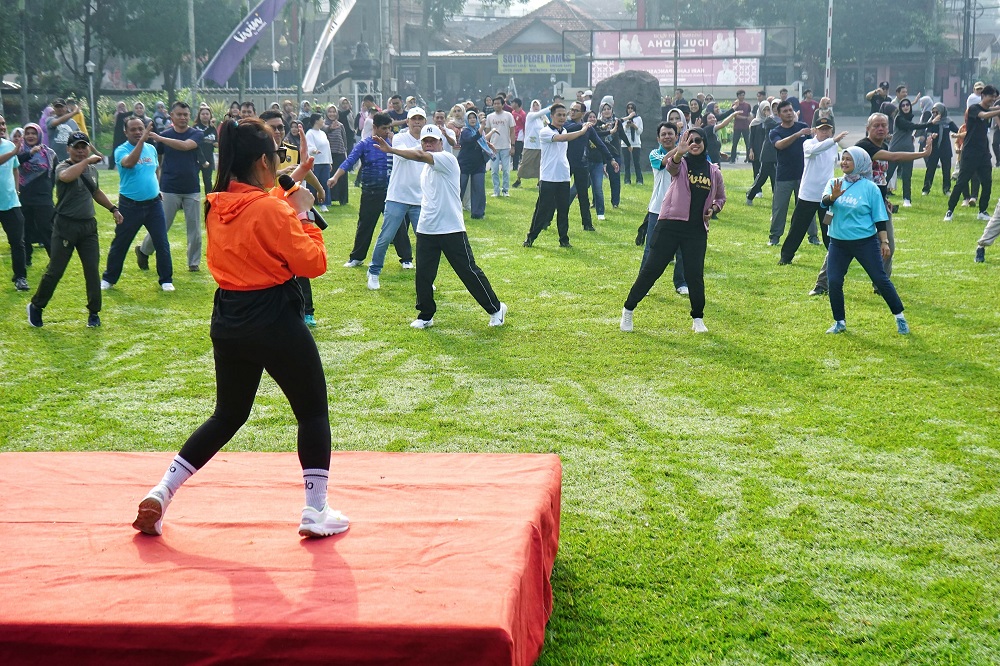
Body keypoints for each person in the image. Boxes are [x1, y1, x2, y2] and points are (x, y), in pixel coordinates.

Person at [132, 117, 349, 539]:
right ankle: (315, 509)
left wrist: (288, 188)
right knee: (312, 410)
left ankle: (162, 491)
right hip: (274, 316)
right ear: (264, 162)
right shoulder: (269, 208)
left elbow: (258, 205)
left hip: (229, 316)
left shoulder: (217, 203)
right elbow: (312, 264)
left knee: (228, 413)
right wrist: (303, 214)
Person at [374, 125, 507, 330]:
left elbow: (418, 155)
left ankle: (496, 308)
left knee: (468, 272)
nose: (428, 144)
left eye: (432, 141)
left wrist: (391, 150)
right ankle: (426, 314)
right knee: (424, 275)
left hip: (451, 227)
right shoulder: (426, 168)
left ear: (440, 143)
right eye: (425, 141)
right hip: (427, 228)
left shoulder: (447, 159)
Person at [620, 127, 725, 334]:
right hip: (670, 225)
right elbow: (671, 167)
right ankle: (628, 309)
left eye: (698, 140)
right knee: (652, 270)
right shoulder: (681, 163)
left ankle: (698, 318)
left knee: (694, 275)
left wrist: (713, 209)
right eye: (690, 140)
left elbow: (720, 198)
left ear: (705, 143)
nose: (694, 143)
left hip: (696, 230)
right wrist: (679, 151)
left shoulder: (714, 171)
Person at [27, 131, 122, 328]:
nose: (80, 151)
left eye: (83, 147)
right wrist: (86, 162)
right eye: (76, 147)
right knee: (55, 270)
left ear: (88, 148)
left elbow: (95, 191)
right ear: (68, 149)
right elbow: (66, 176)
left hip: (88, 227)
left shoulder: (91, 170)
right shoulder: (63, 166)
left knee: (92, 271)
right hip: (65, 226)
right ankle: (36, 306)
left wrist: (113, 209)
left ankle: (94, 313)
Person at [820, 147, 909, 335]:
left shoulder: (870, 188)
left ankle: (900, 317)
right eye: (842, 159)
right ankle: (839, 322)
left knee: (880, 279)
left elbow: (880, 217)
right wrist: (833, 197)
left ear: (860, 163)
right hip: (838, 242)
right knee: (834, 281)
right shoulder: (834, 183)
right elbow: (824, 202)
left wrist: (884, 242)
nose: (844, 162)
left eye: (848, 159)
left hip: (864, 242)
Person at [102, 117, 174, 292]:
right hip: (130, 205)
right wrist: (141, 141)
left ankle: (166, 279)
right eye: (133, 129)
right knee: (121, 243)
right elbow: (129, 163)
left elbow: (156, 169)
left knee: (161, 242)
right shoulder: (121, 150)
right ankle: (109, 278)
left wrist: (157, 188)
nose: (137, 132)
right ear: (126, 132)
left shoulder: (150, 149)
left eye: (140, 129)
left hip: (154, 205)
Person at [331, 113, 410, 269]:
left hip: (391, 193)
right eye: (384, 128)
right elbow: (349, 161)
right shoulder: (364, 144)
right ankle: (357, 258)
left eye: (389, 128)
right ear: (374, 128)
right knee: (365, 225)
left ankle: (406, 259)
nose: (387, 131)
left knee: (398, 225)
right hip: (370, 192)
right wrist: (335, 177)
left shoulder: (394, 144)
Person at [136, 101, 204, 273]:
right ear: (171, 116)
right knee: (161, 226)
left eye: (186, 115)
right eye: (179, 114)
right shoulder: (164, 135)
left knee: (194, 228)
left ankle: (193, 263)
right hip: (169, 187)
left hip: (192, 187)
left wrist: (160, 138)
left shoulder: (196, 134)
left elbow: (186, 146)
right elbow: (157, 161)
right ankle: (144, 250)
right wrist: (156, 183)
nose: (183, 118)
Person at [365, 107, 427, 290]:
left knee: (424, 240)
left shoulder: (427, 141)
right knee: (386, 236)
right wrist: (424, 148)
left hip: (419, 199)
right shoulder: (399, 138)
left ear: (424, 122)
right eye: (413, 119)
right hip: (397, 197)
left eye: (420, 119)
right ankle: (374, 272)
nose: (417, 122)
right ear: (407, 122)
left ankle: (425, 279)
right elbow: (407, 154)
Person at [522, 104, 594, 248]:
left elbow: (566, 135)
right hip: (548, 177)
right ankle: (531, 237)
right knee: (542, 209)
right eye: (559, 115)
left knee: (563, 210)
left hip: (563, 176)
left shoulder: (565, 129)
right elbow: (562, 138)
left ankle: (564, 240)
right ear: (552, 116)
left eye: (563, 115)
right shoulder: (545, 132)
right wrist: (583, 130)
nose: (562, 118)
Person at [779, 121, 848, 264]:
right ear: (815, 130)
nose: (825, 132)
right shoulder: (808, 144)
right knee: (798, 227)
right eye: (822, 129)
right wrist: (833, 140)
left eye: (828, 129)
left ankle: (835, 257)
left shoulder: (833, 145)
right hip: (808, 195)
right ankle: (786, 257)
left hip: (827, 197)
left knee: (829, 227)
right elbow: (816, 150)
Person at [637, 121, 688, 296]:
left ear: (676, 136)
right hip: (657, 210)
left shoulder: (687, 156)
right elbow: (667, 162)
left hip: (681, 210)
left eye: (670, 134)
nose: (667, 137)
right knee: (651, 248)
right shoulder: (654, 154)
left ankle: (681, 282)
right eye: (663, 134)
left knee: (682, 249)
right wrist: (680, 150)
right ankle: (644, 283)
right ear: (658, 138)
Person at [945, 85, 1000, 222]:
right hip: (970, 152)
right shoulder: (974, 109)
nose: (993, 99)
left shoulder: (988, 109)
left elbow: (991, 110)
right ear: (983, 96)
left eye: (995, 97)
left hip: (983, 153)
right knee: (962, 182)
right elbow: (985, 114)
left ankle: (982, 211)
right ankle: (950, 210)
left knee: (987, 182)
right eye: (991, 96)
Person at [767, 100, 815, 246]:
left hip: (804, 175)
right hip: (784, 176)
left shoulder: (803, 127)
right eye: (785, 111)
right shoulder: (775, 132)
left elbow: (813, 146)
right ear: (779, 114)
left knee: (807, 207)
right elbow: (779, 145)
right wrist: (797, 135)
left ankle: (813, 236)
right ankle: (774, 236)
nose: (789, 113)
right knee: (780, 208)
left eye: (790, 110)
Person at [566, 101, 617, 231]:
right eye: (571, 109)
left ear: (582, 113)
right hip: (565, 164)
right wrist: (583, 127)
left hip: (582, 164)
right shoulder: (566, 124)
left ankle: (587, 224)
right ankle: (547, 220)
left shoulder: (588, 128)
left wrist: (611, 159)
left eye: (575, 110)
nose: (572, 112)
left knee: (583, 195)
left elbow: (600, 144)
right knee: (559, 192)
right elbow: (568, 129)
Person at [16, 124, 57, 266]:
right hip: (24, 197)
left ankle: (55, 260)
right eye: (27, 133)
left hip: (43, 197)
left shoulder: (49, 153)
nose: (30, 136)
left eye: (34, 133)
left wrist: (49, 190)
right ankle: (26, 259)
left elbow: (54, 174)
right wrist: (30, 153)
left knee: (46, 228)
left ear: (39, 135)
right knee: (25, 230)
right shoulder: (19, 152)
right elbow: (17, 162)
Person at [885, 98, 932, 207]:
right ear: (900, 108)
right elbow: (911, 126)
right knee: (888, 174)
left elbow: (911, 129)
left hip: (908, 150)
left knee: (907, 175)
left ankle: (907, 199)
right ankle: (879, 195)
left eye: (907, 105)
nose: (906, 107)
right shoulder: (899, 118)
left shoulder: (909, 118)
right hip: (895, 150)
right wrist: (930, 123)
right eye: (903, 105)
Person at [0, 115, 29, 291]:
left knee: (18, 242)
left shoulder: (10, 146)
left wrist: (16, 191)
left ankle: (20, 278)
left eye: (3, 123)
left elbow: (15, 168)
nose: (2, 127)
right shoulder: (12, 149)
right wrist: (12, 153)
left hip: (10, 203)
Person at [595, 100, 630, 210]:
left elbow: (622, 135)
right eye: (604, 109)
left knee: (615, 179)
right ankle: (595, 202)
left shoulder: (617, 122)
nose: (606, 111)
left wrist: (629, 145)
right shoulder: (598, 123)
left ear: (612, 110)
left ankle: (615, 202)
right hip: (601, 154)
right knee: (597, 180)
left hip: (615, 154)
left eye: (608, 109)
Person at [458, 109, 491, 219]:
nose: (472, 119)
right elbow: (472, 139)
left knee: (479, 189)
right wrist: (482, 127)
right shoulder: (465, 131)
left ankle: (478, 213)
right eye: (470, 118)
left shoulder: (479, 131)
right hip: (465, 164)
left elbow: (483, 142)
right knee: (460, 188)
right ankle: (454, 211)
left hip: (478, 164)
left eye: (474, 117)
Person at [922, 103, 958, 195]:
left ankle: (946, 189)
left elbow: (957, 130)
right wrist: (931, 135)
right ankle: (926, 189)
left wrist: (957, 135)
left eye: (936, 112)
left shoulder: (948, 121)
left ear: (942, 111)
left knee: (946, 170)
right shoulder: (932, 121)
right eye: (933, 112)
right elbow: (927, 132)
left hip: (945, 148)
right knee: (930, 169)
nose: (934, 114)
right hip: (934, 149)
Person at [746, 100, 779, 203]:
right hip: (767, 153)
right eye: (765, 109)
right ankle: (750, 195)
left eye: (768, 109)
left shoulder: (778, 120)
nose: (767, 111)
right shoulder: (768, 121)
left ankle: (777, 198)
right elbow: (771, 126)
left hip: (776, 153)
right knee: (762, 177)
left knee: (775, 176)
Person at [485, 97, 516, 197]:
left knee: (506, 170)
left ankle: (505, 190)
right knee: (494, 171)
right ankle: (496, 191)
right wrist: (487, 146)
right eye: (494, 103)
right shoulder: (489, 117)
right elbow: (487, 132)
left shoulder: (508, 115)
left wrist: (512, 146)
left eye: (498, 103)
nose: (496, 105)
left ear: (503, 105)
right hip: (493, 147)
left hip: (506, 146)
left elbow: (512, 131)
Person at [514, 100, 546, 188]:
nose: (536, 107)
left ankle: (540, 181)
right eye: (534, 105)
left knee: (540, 164)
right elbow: (541, 113)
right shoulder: (530, 115)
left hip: (540, 145)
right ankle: (518, 179)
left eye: (537, 105)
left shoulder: (542, 118)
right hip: (530, 145)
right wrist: (551, 108)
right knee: (525, 162)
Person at [304, 113, 333, 211]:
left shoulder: (323, 133)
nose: (323, 121)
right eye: (322, 119)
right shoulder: (310, 133)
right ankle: (311, 202)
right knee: (314, 184)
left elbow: (327, 148)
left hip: (324, 162)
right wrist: (314, 151)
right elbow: (309, 146)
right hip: (315, 162)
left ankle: (324, 203)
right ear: (316, 121)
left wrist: (329, 162)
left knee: (325, 183)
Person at [194, 106, 218, 194]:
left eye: (207, 114)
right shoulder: (196, 127)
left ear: (210, 115)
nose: (205, 116)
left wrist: (217, 144)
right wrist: (209, 129)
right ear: (199, 116)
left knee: (208, 182)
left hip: (209, 158)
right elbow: (199, 138)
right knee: (194, 181)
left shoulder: (213, 128)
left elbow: (216, 142)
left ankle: (209, 203)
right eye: (203, 114)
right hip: (197, 157)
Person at [621, 102, 644, 185]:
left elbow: (640, 131)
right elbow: (622, 132)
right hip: (625, 144)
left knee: (636, 162)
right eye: (628, 108)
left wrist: (634, 126)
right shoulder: (624, 119)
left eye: (632, 108)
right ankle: (627, 180)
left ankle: (639, 180)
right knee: (626, 163)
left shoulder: (638, 119)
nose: (630, 110)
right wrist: (627, 126)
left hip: (636, 143)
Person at [728, 90, 752, 163]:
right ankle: (732, 158)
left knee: (747, 142)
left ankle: (748, 158)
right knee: (735, 143)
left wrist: (750, 120)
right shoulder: (735, 105)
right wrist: (745, 118)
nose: (742, 96)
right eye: (741, 95)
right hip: (737, 127)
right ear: (737, 96)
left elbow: (749, 114)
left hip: (745, 126)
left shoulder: (747, 105)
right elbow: (735, 115)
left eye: (743, 95)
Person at [111, 102, 130, 170]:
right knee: (115, 150)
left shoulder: (126, 116)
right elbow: (124, 115)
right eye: (120, 107)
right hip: (118, 135)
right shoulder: (118, 114)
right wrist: (134, 111)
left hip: (125, 135)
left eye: (123, 106)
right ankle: (111, 166)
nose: (122, 108)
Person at [510, 98, 526, 172]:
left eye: (512, 103)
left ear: (516, 104)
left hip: (519, 136)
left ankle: (516, 168)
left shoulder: (522, 114)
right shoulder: (512, 113)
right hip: (512, 134)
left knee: (517, 153)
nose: (511, 104)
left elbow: (525, 125)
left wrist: (525, 137)